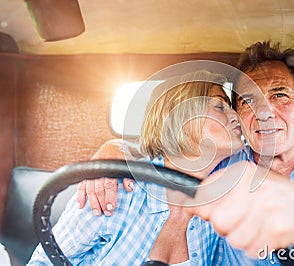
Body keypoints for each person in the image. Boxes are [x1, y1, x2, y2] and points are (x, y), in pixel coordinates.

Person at [78, 41, 294, 265]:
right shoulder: (223, 165)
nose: (264, 112)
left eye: (279, 95)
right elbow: (174, 151)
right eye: (248, 100)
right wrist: (115, 149)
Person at [28, 70, 253, 265]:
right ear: (181, 118)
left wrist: (115, 145)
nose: (236, 116)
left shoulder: (230, 182)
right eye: (219, 106)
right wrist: (113, 149)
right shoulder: (115, 191)